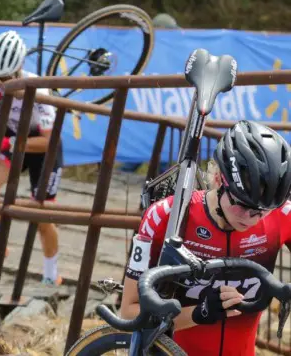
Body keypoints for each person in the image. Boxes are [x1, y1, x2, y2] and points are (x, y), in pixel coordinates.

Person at [121, 120, 291, 356]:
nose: (253, 218)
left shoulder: (283, 216)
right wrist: (198, 313)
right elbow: (129, 313)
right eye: (243, 205)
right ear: (220, 179)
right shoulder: (167, 216)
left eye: (264, 210)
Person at [0, 30, 64, 286]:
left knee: (43, 216)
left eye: (6, 78)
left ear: (20, 67)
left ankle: (51, 274)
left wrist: (11, 142)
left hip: (41, 148)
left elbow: (49, 141)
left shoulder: (40, 90)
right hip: (14, 139)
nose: (0, 83)